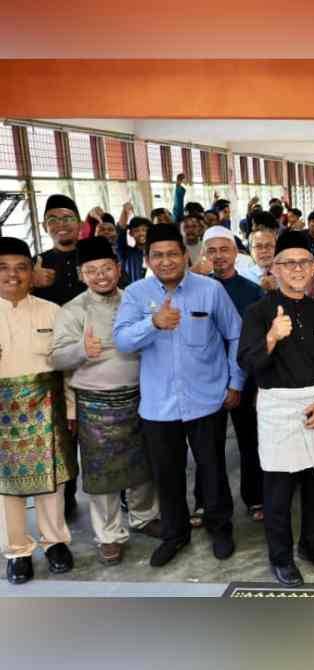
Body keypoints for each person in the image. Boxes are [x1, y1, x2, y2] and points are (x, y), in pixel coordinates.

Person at [112, 224, 244, 568]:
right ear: (147, 259)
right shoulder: (136, 295)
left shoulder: (210, 290)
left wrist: (235, 383)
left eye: (173, 253)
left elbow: (235, 336)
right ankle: (175, 534)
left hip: (207, 398)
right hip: (158, 404)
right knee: (167, 474)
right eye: (158, 255)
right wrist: (152, 323)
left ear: (186, 255)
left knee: (212, 468)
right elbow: (123, 341)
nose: (166, 261)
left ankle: (220, 527)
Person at [238, 230, 314, 587]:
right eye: (289, 263)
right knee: (279, 493)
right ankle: (281, 558)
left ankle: (312, 545)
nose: (297, 269)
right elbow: (247, 363)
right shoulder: (258, 311)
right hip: (277, 410)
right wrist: (271, 337)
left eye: (304, 262)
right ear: (276, 268)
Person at [50, 237, 161, 566]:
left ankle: (143, 517)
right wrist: (83, 351)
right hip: (96, 403)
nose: (101, 276)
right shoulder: (72, 310)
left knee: (144, 466)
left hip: (140, 396)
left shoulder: (136, 301)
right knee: (102, 476)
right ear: (82, 274)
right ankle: (109, 534)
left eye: (106, 268)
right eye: (92, 271)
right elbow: (56, 358)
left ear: (117, 268)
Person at [1, 237, 77, 585]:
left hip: (47, 409)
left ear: (33, 273)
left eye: (21, 268)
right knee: (6, 489)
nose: (12, 275)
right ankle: (17, 551)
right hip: (3, 415)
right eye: (3, 268)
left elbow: (67, 369)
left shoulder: (52, 312)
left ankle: (55, 542)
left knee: (53, 482)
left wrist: (72, 409)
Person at [201, 227, 266, 522]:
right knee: (208, 446)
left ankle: (255, 497)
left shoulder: (253, 291)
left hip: (246, 377)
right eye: (211, 250)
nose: (218, 256)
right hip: (207, 377)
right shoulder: (198, 289)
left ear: (235, 253)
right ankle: (206, 501)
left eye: (224, 250)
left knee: (249, 440)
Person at [31, 194, 88, 519]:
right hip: (52, 360)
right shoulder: (37, 262)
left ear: (79, 223)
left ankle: (122, 491)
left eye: (68, 217)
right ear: (44, 225)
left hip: (96, 357)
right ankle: (67, 495)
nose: (61, 224)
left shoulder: (95, 256)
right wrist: (31, 284)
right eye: (53, 218)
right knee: (63, 432)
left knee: (108, 429)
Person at [115, 205, 150, 284]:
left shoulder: (156, 252)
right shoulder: (127, 253)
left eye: (144, 230)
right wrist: (124, 211)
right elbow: (120, 231)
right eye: (136, 230)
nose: (141, 233)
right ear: (131, 233)